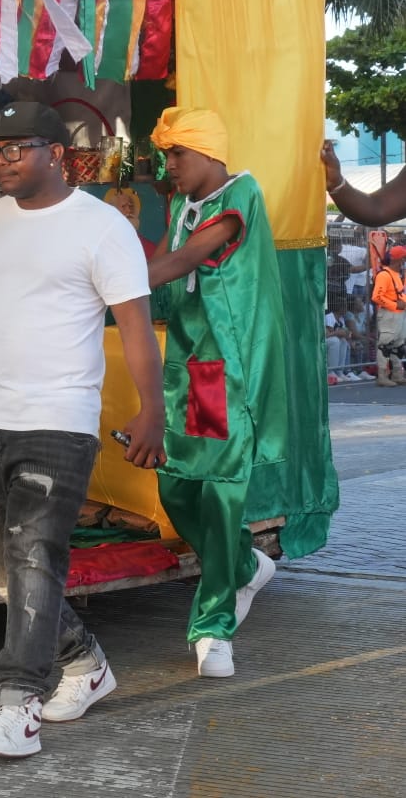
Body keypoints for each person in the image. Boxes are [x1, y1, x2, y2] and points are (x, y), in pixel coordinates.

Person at [0, 101, 165, 760]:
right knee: (0, 563)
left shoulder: (102, 227)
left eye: (17, 148)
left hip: (59, 418)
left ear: (57, 152)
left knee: (35, 555)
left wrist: (151, 408)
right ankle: (85, 663)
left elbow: (133, 322)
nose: (2, 160)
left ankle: (18, 704)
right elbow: (1, 287)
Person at [146, 107, 285, 679]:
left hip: (232, 368)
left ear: (208, 152)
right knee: (177, 488)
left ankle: (213, 627)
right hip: (191, 368)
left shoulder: (241, 194)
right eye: (166, 154)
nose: (169, 164)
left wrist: (101, 280)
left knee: (222, 496)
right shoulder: (182, 205)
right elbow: (169, 265)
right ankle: (241, 566)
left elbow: (182, 261)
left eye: (178, 154)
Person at [371, 247, 406, 386]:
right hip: (389, 315)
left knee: (399, 345)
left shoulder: (397, 274)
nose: (404, 261)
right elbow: (377, 297)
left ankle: (397, 374)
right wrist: (395, 305)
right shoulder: (384, 275)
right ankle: (382, 376)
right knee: (385, 345)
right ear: (397, 259)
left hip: (398, 315)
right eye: (403, 258)